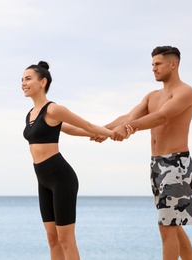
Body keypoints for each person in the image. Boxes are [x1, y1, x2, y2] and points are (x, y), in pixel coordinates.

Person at [99, 46, 192, 260]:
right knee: (172, 223)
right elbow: (129, 116)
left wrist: (128, 128)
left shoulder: (184, 92)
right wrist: (103, 130)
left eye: (158, 64)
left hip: (175, 165)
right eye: (152, 64)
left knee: (167, 226)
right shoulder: (152, 95)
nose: (153, 69)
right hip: (156, 164)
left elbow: (162, 116)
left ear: (173, 64)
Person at [22, 61, 117, 260]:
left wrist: (109, 133)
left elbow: (86, 124)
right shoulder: (31, 115)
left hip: (61, 178)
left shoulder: (53, 109)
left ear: (43, 82)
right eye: (22, 80)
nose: (23, 83)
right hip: (43, 180)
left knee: (66, 239)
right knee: (52, 238)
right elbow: (70, 130)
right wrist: (91, 135)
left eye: (28, 78)